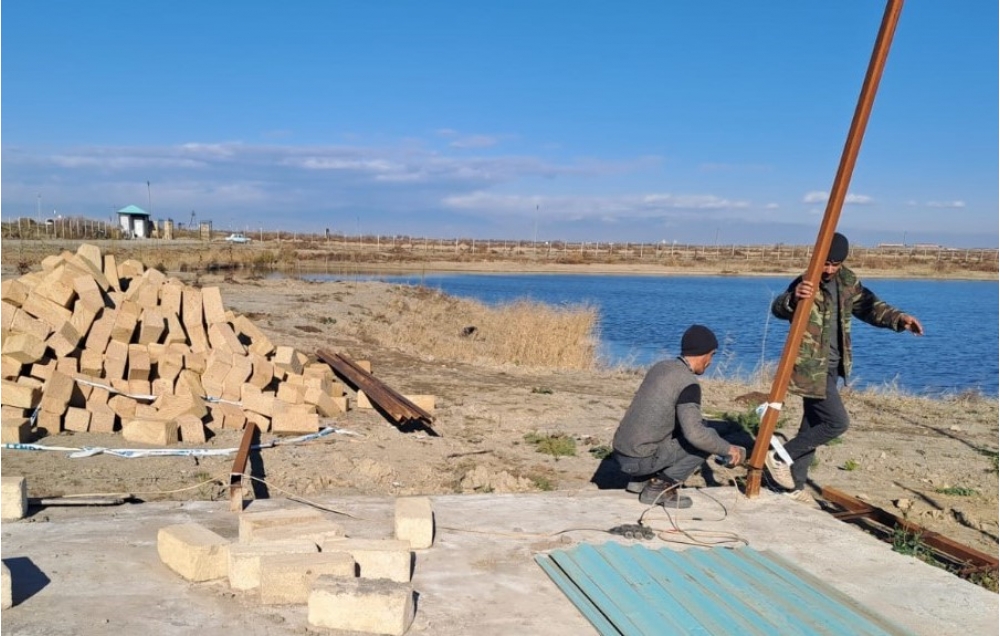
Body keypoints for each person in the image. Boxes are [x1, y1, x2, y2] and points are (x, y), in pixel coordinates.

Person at [766, 232, 924, 501]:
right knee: (836, 422)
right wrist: (792, 298)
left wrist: (900, 319)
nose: (829, 269)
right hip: (810, 367)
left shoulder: (848, 281)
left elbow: (871, 307)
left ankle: (792, 487)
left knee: (812, 426)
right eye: (825, 263)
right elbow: (778, 308)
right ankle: (780, 456)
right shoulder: (806, 281)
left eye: (835, 264)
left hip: (834, 365)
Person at [612, 324, 746, 509]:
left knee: (683, 428)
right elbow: (696, 435)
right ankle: (660, 488)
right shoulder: (688, 383)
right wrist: (727, 449)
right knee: (707, 437)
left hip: (621, 453)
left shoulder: (661, 367)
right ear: (705, 354)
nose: (710, 362)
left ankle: (641, 481)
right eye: (712, 355)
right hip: (639, 460)